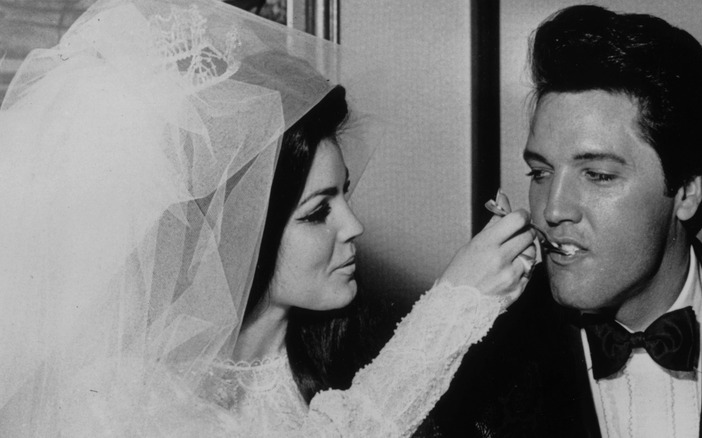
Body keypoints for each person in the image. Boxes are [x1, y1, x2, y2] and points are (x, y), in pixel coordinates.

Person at [0, 0, 537, 436]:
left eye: (344, 197)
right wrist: (453, 307)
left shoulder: (354, 355)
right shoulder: (120, 403)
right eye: (318, 212)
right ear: (240, 229)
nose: (354, 227)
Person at [426, 5, 702, 438]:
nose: (552, 209)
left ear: (687, 191)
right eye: (540, 172)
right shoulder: (478, 367)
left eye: (597, 175)